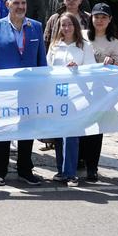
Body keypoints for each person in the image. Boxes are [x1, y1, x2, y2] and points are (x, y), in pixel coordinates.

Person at [0, 0, 47, 186]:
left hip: (29, 90)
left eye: (23, 3)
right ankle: (0, 171)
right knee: (3, 128)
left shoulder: (36, 27)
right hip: (3, 90)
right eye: (16, 3)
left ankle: (25, 170)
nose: (20, 7)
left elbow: (41, 60)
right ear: (8, 5)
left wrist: (42, 84)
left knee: (27, 129)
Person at [46, 12, 97, 186]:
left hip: (77, 95)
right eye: (63, 25)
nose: (66, 28)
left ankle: (71, 173)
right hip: (58, 95)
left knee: (72, 135)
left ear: (75, 26)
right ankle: (61, 171)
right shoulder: (54, 46)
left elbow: (91, 69)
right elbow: (48, 69)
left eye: (69, 24)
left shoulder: (84, 46)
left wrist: (78, 69)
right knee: (59, 135)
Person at [80, 2, 118, 182]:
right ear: (91, 18)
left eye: (104, 17)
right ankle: (78, 161)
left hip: (101, 91)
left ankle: (92, 168)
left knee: (96, 130)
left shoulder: (114, 42)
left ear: (110, 19)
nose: (99, 20)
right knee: (79, 127)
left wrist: (112, 61)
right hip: (80, 89)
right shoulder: (81, 35)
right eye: (96, 16)